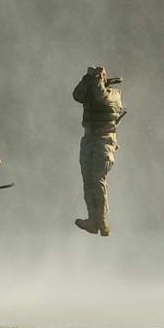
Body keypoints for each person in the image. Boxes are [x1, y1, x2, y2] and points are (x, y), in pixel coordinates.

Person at [71, 65, 126, 235]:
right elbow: (77, 95)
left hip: (105, 142)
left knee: (97, 178)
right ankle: (92, 220)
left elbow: (102, 96)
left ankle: (102, 220)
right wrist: (86, 79)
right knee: (88, 180)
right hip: (89, 140)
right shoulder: (92, 93)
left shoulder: (114, 95)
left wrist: (96, 80)